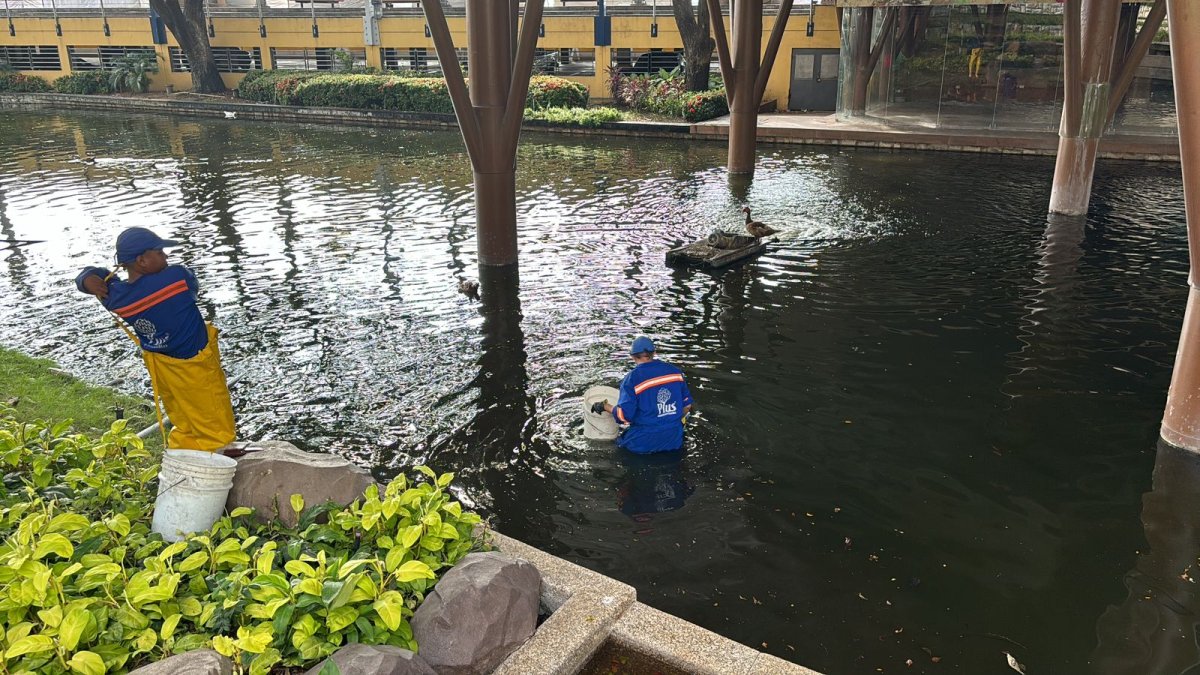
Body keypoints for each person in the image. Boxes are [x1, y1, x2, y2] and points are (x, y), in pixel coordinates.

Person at [76, 227, 236, 452]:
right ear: (142, 260)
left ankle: (184, 453)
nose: (166, 257)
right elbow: (192, 288)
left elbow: (97, 277)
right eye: (160, 252)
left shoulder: (114, 298)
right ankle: (216, 465)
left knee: (184, 418)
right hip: (196, 365)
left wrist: (86, 280)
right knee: (215, 422)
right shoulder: (178, 278)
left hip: (162, 365)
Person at [591, 336, 693, 454]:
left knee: (611, 449)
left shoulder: (631, 380)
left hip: (642, 444)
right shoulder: (675, 373)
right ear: (654, 353)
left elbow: (624, 416)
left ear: (633, 356)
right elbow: (687, 406)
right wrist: (668, 420)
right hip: (673, 441)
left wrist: (604, 406)